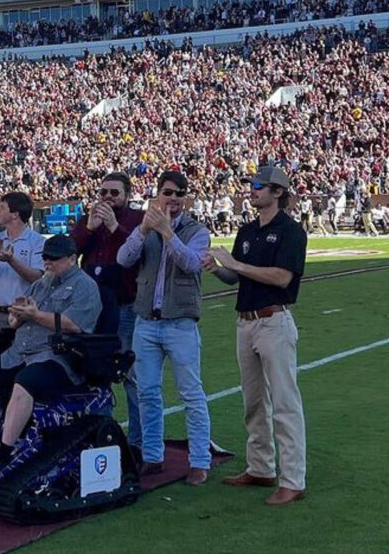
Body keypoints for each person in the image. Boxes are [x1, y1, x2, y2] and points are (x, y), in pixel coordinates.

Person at [204, 164, 308, 506]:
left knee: (284, 403)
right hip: (246, 322)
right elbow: (237, 278)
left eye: (260, 185)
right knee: (253, 402)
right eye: (252, 184)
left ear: (278, 192)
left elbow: (281, 277)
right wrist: (220, 270)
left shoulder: (291, 231)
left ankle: (293, 479)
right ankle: (261, 467)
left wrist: (235, 265)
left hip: (273, 320)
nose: (253, 190)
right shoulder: (247, 230)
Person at [0, 234, 102, 483]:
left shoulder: (85, 286)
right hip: (20, 352)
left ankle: (3, 453)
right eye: (45, 258)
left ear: (73, 259)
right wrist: (18, 314)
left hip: (56, 357)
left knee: (25, 382)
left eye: (54, 259)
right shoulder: (41, 283)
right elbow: (14, 321)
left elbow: (74, 325)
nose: (48, 263)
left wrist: (35, 314)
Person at [117, 170, 213, 486]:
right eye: (168, 193)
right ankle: (153, 456)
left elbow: (191, 263)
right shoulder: (146, 228)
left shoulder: (196, 231)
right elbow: (124, 259)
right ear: (158, 194)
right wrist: (145, 229)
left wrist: (168, 233)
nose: (173, 199)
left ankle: (200, 461)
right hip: (146, 321)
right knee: (147, 393)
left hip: (181, 323)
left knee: (191, 394)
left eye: (179, 194)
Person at [69, 171, 144, 454]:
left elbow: (137, 254)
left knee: (131, 375)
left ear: (127, 195)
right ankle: (99, 433)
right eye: (104, 193)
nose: (108, 198)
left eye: (114, 193)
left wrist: (113, 227)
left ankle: (137, 441)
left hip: (125, 305)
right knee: (93, 372)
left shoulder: (136, 220)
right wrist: (89, 226)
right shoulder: (90, 219)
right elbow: (69, 251)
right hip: (93, 310)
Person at [0, 191, 45, 355]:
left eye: (2, 208)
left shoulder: (37, 241)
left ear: (15, 214)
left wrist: (11, 260)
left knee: (23, 367)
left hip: (23, 315)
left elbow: (37, 277)